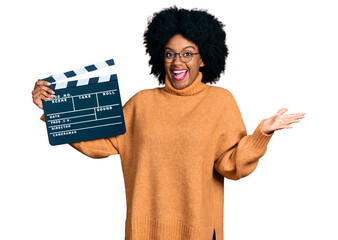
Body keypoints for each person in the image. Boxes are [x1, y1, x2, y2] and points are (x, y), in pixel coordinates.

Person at [32, 6, 305, 240]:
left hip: (199, 230)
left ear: (203, 58)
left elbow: (229, 166)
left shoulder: (220, 102)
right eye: (169, 53)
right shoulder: (141, 103)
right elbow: (100, 145)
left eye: (187, 53)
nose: (177, 61)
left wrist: (262, 134)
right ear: (159, 57)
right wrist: (53, 108)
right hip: (144, 231)